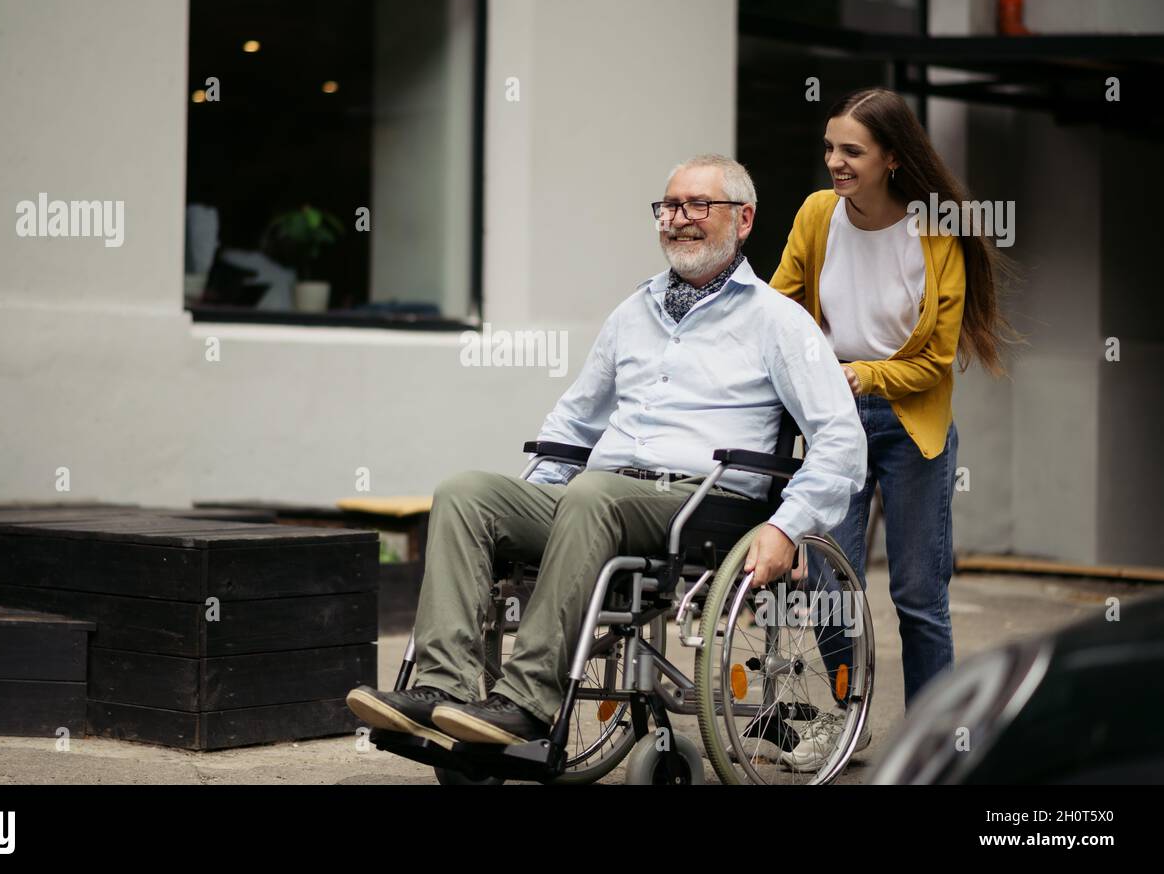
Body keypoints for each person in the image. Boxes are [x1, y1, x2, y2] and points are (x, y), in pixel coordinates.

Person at [346, 154, 866, 750]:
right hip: (601, 497)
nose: (679, 219)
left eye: (699, 205)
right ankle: (443, 691)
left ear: (743, 219)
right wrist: (535, 505)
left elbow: (841, 441)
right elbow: (573, 421)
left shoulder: (778, 321)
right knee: (466, 493)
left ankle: (526, 703)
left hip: (703, 505)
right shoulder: (633, 312)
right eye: (669, 207)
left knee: (592, 493)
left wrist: (787, 525)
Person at [771, 88, 1015, 732]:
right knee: (826, 585)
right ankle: (844, 724)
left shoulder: (938, 234)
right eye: (830, 147)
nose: (835, 162)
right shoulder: (818, 215)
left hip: (913, 426)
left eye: (852, 150)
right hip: (834, 422)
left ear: (893, 159)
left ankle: (931, 739)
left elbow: (933, 362)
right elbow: (778, 311)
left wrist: (861, 373)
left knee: (918, 597)